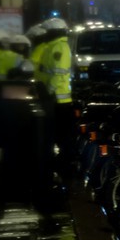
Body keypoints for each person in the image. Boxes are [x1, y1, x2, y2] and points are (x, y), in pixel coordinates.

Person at [39, 17, 75, 166]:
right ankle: (62, 159)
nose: (45, 34)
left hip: (60, 99)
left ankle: (66, 161)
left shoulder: (60, 48)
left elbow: (59, 74)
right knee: (57, 132)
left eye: (48, 31)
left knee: (63, 134)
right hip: (53, 98)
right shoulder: (52, 47)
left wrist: (48, 90)